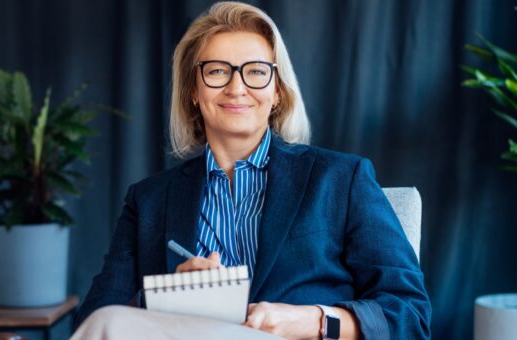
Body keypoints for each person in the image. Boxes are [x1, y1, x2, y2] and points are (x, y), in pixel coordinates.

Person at [73, 2, 431, 339]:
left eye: (256, 72)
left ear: (277, 91)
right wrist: (164, 297)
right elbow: (94, 321)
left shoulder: (341, 178)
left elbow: (410, 315)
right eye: (216, 71)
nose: (236, 87)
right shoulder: (149, 200)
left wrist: (311, 320)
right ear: (193, 92)